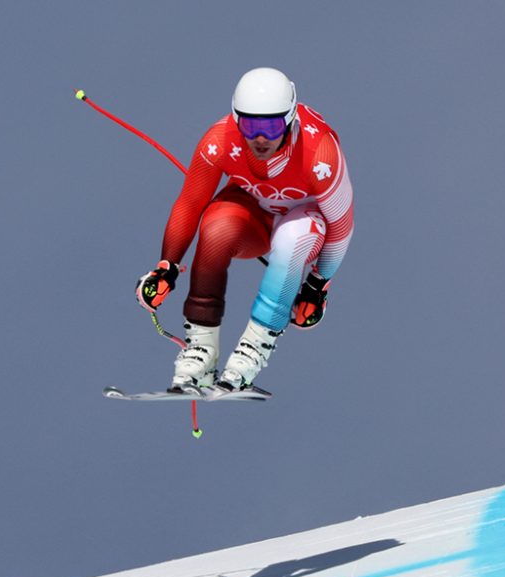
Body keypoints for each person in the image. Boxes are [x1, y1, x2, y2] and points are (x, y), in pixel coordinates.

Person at [135, 67, 354, 391]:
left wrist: (318, 283)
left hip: (304, 219)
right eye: (250, 126)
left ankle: (254, 348)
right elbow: (190, 204)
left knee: (293, 239)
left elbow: (341, 223)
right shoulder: (219, 141)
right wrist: (166, 267)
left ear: (291, 119)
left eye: (271, 125)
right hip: (256, 217)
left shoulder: (320, 153)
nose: (261, 138)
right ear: (236, 120)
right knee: (216, 226)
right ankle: (201, 349)